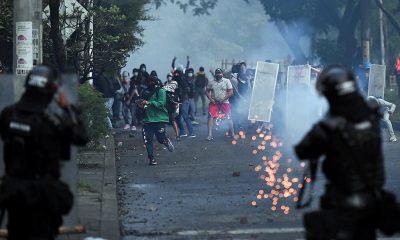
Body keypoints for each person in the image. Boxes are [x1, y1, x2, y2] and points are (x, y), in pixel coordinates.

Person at [295, 65, 397, 240]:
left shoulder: (330, 125)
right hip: (371, 198)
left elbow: (303, 150)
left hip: (342, 199)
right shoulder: (369, 118)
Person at [0, 65, 88, 240]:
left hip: (14, 193)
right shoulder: (53, 122)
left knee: (16, 233)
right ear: (51, 91)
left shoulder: (8, 114)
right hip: (42, 196)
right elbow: (81, 137)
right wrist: (67, 109)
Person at [139, 75, 174, 165]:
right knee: (148, 140)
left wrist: (149, 103)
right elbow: (143, 103)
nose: (150, 84)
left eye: (152, 82)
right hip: (148, 120)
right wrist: (141, 104)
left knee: (160, 139)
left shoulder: (161, 91)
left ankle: (165, 141)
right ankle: (151, 158)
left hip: (159, 119)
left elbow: (161, 104)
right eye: (149, 82)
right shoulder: (145, 92)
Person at [205, 68, 234, 141]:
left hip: (225, 102)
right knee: (210, 117)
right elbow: (207, 91)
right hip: (214, 102)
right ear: (215, 74)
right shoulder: (211, 82)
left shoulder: (226, 81)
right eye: (217, 73)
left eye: (219, 73)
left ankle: (232, 134)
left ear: (222, 74)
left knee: (228, 117)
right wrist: (211, 99)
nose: (218, 74)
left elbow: (231, 92)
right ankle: (209, 135)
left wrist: (223, 99)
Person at [164, 72, 180, 140]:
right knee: (164, 120)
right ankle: (163, 136)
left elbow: (170, 88)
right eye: (168, 76)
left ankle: (177, 135)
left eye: (170, 76)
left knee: (173, 120)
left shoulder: (174, 83)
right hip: (166, 103)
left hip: (173, 103)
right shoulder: (165, 83)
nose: (169, 77)